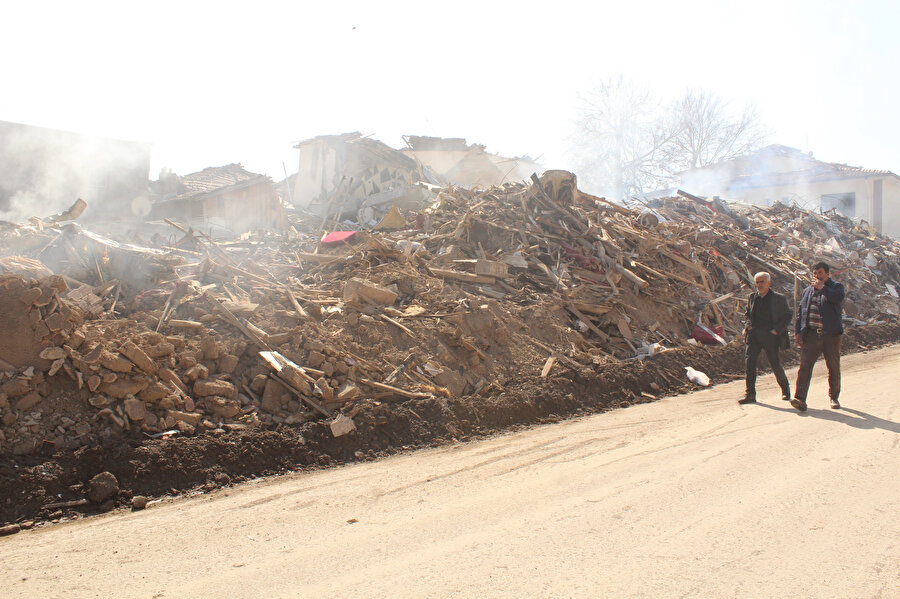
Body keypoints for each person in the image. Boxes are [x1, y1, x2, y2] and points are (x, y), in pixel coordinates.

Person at [791, 261, 845, 411]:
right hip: (812, 335)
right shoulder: (808, 291)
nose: (817, 276)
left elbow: (837, 298)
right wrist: (798, 332)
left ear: (827, 274)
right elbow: (801, 312)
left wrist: (823, 289)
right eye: (815, 273)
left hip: (831, 336)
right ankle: (800, 398)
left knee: (833, 366)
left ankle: (834, 397)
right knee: (805, 367)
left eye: (820, 273)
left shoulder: (835, 287)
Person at [740, 271, 792, 404]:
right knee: (750, 364)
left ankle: (786, 391)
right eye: (757, 282)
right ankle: (750, 394)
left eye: (762, 281)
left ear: (769, 282)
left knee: (775, 363)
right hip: (754, 336)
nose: (759, 285)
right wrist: (748, 326)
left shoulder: (778, 298)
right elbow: (747, 314)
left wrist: (777, 330)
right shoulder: (752, 297)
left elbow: (787, 316)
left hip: (770, 336)